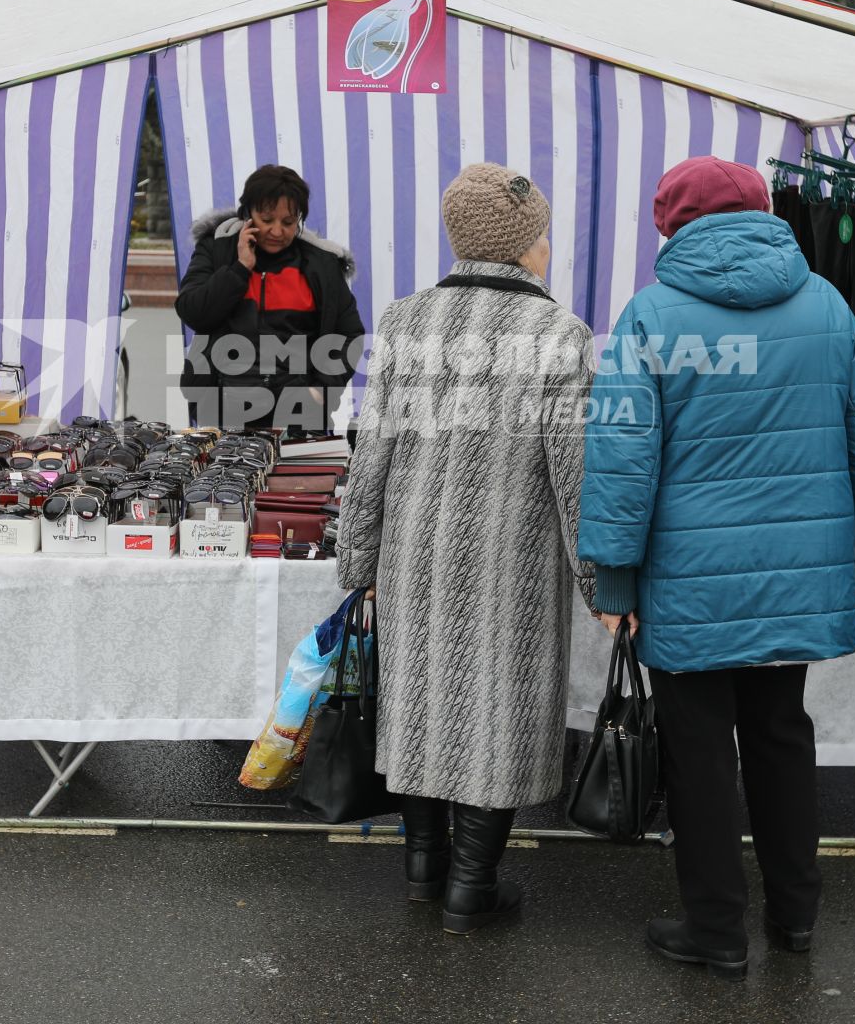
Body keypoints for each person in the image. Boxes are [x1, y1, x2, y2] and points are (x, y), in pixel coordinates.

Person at [579, 155, 855, 978]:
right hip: (798, 565)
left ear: (671, 225)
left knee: (698, 750)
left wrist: (615, 577)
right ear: (765, 212)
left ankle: (717, 930)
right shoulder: (825, 303)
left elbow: (622, 456)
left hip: (689, 576)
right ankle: (795, 916)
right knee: (782, 733)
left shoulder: (649, 316)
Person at [335, 163, 598, 936]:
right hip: (509, 560)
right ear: (522, 244)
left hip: (413, 552)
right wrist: (598, 580)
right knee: (498, 709)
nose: (547, 246)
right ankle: (471, 889)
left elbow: (371, 449)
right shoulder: (560, 334)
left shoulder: (407, 320)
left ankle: (424, 873)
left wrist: (359, 559)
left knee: (420, 702)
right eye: (540, 232)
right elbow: (574, 469)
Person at [175, 165, 365, 431]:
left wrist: (321, 389)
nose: (277, 231)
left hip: (300, 416)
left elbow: (350, 334)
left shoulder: (321, 262)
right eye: (267, 220)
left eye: (288, 222)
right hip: (224, 411)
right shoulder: (217, 248)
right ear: (247, 213)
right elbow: (193, 311)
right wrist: (240, 268)